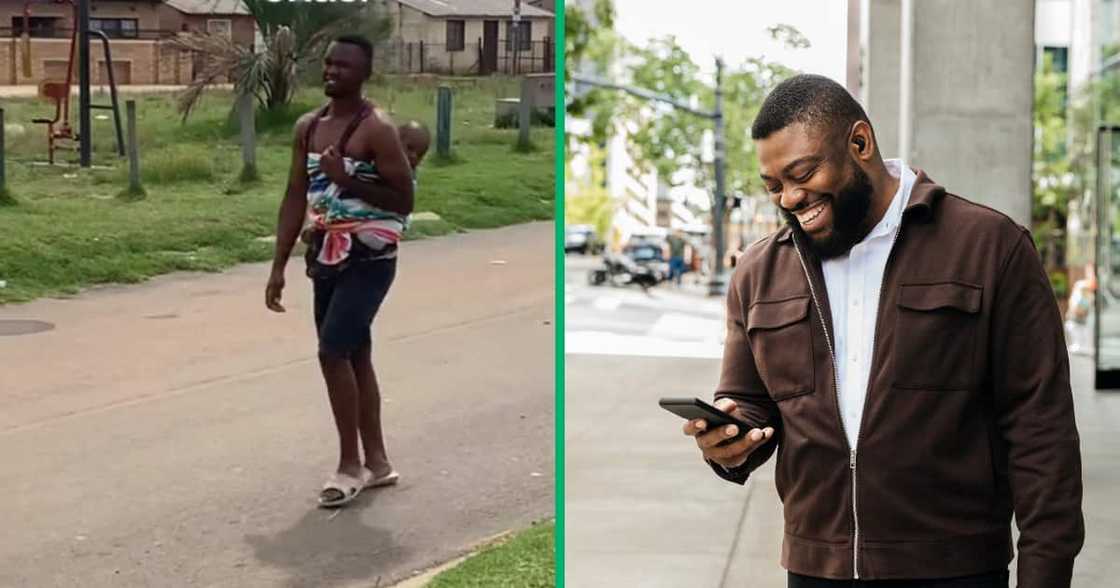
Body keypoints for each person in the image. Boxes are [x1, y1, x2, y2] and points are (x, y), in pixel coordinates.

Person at [681, 74, 1083, 587]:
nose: (788, 198)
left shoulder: (990, 248)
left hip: (955, 570)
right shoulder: (759, 271)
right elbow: (749, 402)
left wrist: (1045, 575)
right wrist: (729, 439)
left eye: (802, 173)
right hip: (814, 570)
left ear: (860, 143)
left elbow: (1041, 433)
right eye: (774, 186)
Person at [266, 34, 415, 508]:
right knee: (354, 355)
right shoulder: (308, 127)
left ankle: (349, 466)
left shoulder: (378, 130)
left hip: (370, 258)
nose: (333, 72)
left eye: (344, 66)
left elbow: (404, 199)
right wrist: (278, 265)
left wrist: (346, 179)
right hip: (324, 255)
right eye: (329, 64)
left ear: (364, 73)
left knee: (332, 352)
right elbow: (294, 195)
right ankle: (379, 463)